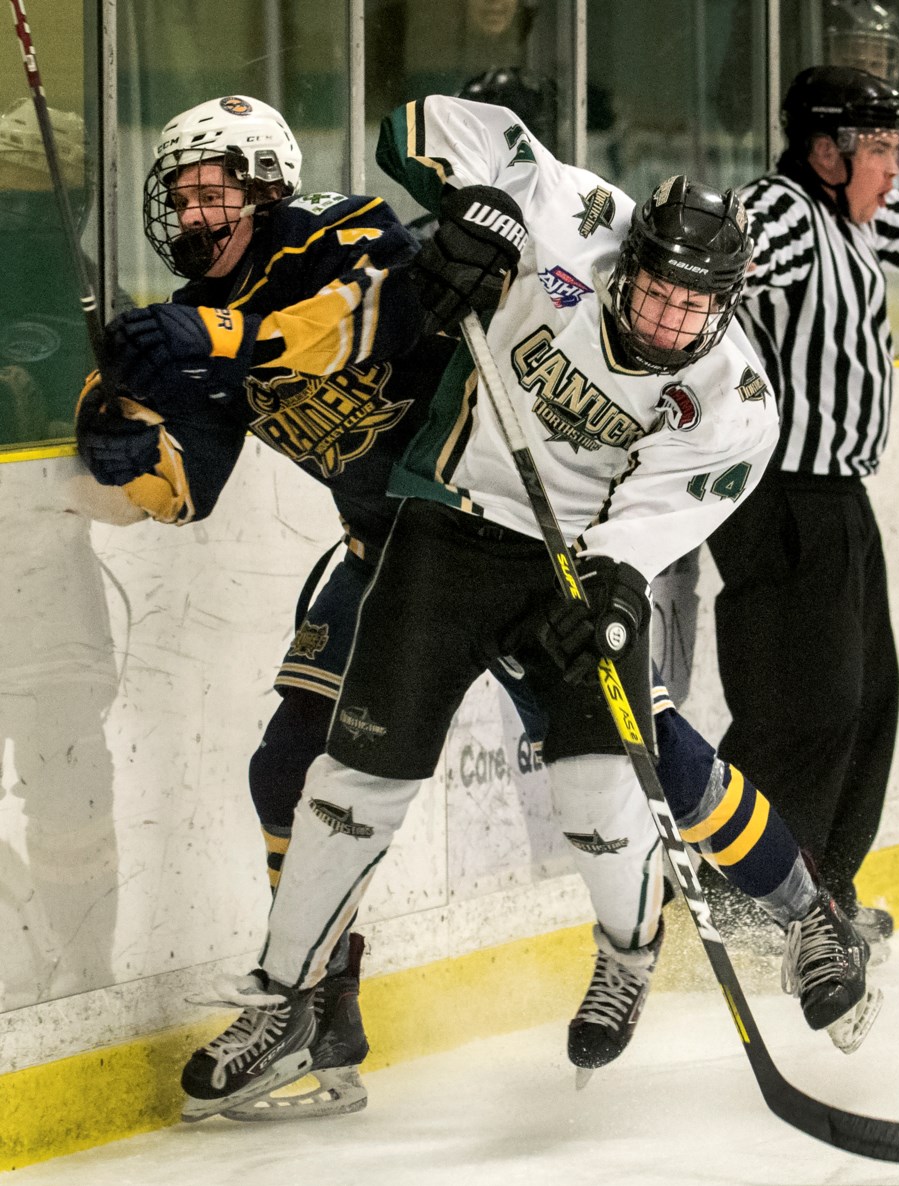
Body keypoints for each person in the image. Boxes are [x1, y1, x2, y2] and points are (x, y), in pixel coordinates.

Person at [172, 94, 883, 1124]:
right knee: (348, 785)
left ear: (725, 308)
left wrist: (611, 575)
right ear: (626, 258)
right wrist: (485, 210)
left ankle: (637, 954)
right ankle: (280, 999)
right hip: (448, 529)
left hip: (580, 571)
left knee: (607, 785)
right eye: (653, 294)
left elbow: (663, 513)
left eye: (694, 309)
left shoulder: (736, 401)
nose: (665, 321)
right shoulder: (574, 214)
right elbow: (419, 124)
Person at [74, 93, 660, 1118]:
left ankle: (798, 907)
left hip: (503, 543)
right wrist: (124, 443)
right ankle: (318, 1011)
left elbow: (359, 325)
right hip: (384, 563)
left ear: (264, 189)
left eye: (214, 192)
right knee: (291, 765)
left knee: (633, 759)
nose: (193, 216)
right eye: (180, 197)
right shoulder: (198, 320)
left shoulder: (340, 232)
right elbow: (188, 485)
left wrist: (217, 335)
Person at [706, 66, 899, 946]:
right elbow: (724, 247)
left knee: (868, 702)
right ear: (825, 150)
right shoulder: (785, 212)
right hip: (779, 499)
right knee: (802, 707)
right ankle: (737, 898)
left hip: (839, 500)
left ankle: (822, 890)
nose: (898, 167)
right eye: (881, 148)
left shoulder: (855, 221)